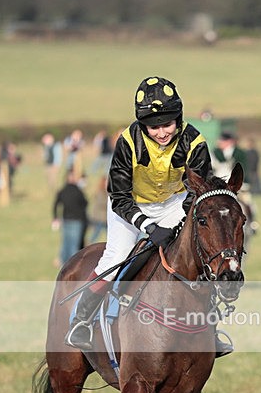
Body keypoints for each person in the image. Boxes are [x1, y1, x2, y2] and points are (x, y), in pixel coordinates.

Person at [65, 75, 233, 357]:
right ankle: (81, 320)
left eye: (168, 124)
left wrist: (178, 222)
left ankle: (210, 329)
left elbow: (199, 191)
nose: (162, 132)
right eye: (154, 127)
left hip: (174, 203)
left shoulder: (194, 142)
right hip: (131, 204)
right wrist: (148, 227)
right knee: (116, 257)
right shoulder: (128, 142)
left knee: (197, 255)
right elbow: (119, 195)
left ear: (178, 118)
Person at [52, 171, 89, 266]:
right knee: (73, 245)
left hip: (66, 220)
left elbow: (56, 204)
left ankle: (64, 262)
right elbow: (85, 203)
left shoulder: (62, 190)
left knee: (66, 242)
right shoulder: (78, 191)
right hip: (76, 221)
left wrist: (55, 217)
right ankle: (73, 264)